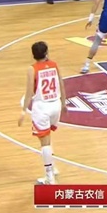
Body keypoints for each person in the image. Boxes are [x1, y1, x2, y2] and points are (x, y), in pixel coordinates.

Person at [18, 41, 67, 185]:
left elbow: (29, 92)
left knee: (44, 143)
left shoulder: (32, 69)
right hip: (56, 105)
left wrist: (23, 111)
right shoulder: (54, 65)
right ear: (46, 52)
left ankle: (49, 176)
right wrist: (64, 103)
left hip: (42, 107)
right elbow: (61, 84)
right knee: (48, 138)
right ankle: (53, 167)